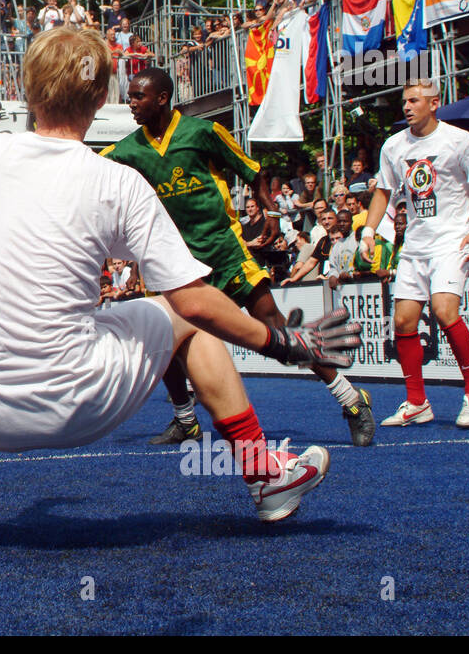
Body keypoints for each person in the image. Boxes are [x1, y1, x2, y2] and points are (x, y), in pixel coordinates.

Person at [0, 28, 360, 552]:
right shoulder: (118, 180)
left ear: (25, 92)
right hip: (87, 402)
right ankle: (264, 473)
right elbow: (195, 302)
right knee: (185, 319)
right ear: (103, 100)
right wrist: (284, 343)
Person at [100, 68, 376, 447]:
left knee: (277, 330)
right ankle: (185, 420)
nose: (130, 103)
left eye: (137, 96)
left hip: (226, 253)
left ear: (162, 98)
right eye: (129, 96)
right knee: (166, 339)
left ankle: (351, 398)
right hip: (174, 262)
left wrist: (275, 217)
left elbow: (253, 172)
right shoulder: (127, 149)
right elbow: (87, 171)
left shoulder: (204, 133)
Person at [360, 80, 469, 430]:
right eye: (404, 101)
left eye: (414, 101)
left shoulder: (459, 139)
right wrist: (369, 231)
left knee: (443, 309)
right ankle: (417, 402)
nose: (406, 107)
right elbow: (384, 192)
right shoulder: (393, 145)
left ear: (434, 103)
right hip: (415, 245)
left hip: (452, 239)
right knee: (403, 322)